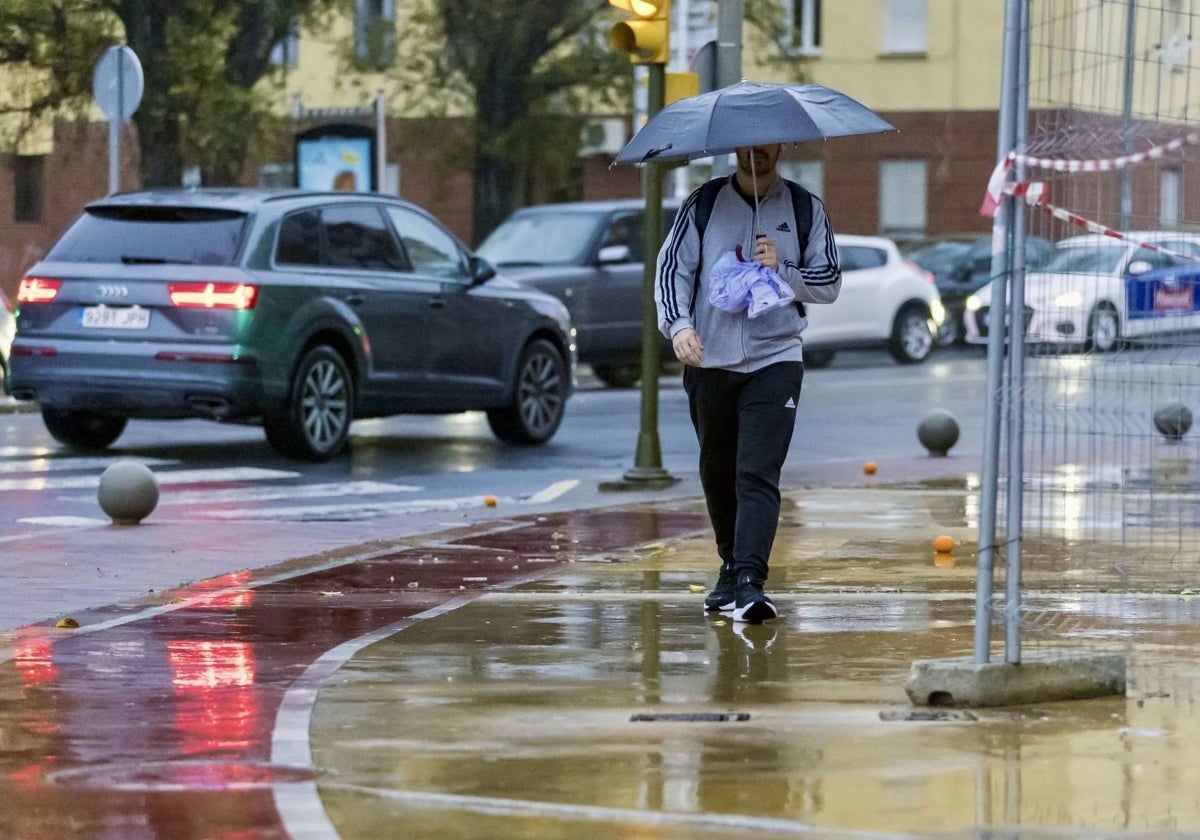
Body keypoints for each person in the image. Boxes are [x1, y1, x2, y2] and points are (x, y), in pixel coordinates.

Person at [654, 143, 842, 624]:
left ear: (781, 146)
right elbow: (672, 270)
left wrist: (782, 268)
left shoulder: (803, 208)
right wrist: (679, 326)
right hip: (709, 359)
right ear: (736, 146)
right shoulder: (703, 203)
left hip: (776, 357)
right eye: (748, 144)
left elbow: (829, 281)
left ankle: (751, 583)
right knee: (718, 472)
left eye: (767, 144)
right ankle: (729, 567)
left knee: (757, 472)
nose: (756, 152)